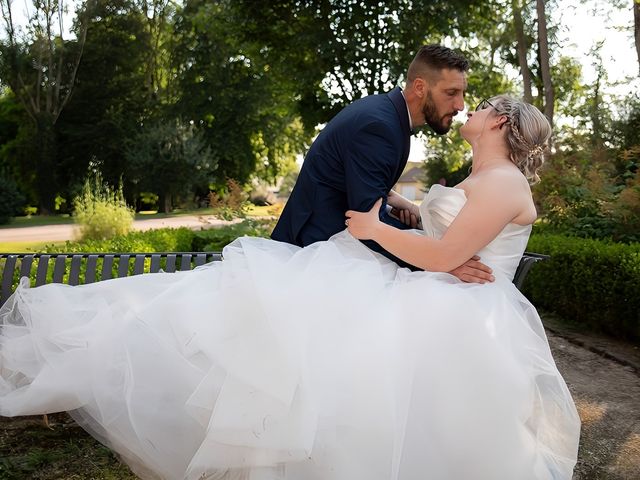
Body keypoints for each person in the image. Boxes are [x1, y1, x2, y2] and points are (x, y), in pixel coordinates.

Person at [0, 95, 580, 480]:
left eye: (479, 108)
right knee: (282, 334)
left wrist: (378, 227)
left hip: (463, 316)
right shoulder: (481, 177)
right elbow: (448, 243)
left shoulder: (502, 181)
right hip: (439, 292)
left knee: (364, 386)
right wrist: (415, 224)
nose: (468, 110)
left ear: (501, 122)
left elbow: (449, 254)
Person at [272, 44, 494, 283]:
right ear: (420, 87)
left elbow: (356, 191)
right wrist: (439, 263)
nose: (461, 105)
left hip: (338, 244)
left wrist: (391, 210)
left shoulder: (387, 116)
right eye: (451, 93)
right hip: (316, 253)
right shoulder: (379, 127)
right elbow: (367, 221)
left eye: (462, 93)